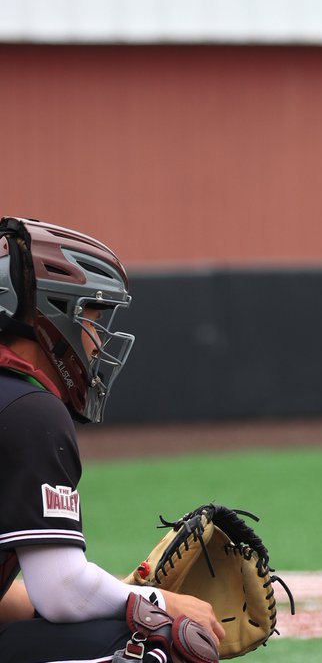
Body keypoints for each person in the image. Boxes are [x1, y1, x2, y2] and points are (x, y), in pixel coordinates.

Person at [0, 217, 224, 663]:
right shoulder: (29, 409)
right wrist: (159, 604)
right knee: (163, 645)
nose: (97, 341)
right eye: (92, 315)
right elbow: (61, 592)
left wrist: (119, 597)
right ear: (51, 312)